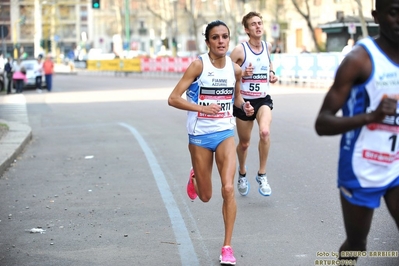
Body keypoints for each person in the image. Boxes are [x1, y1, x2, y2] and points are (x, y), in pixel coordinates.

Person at [315, 0, 399, 262]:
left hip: (396, 165)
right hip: (362, 167)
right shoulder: (359, 60)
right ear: (377, 16)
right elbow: (323, 123)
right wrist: (372, 116)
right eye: (394, 13)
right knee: (357, 244)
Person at [168, 20, 254, 265]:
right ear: (207, 42)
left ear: (229, 39)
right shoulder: (198, 66)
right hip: (199, 136)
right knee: (206, 196)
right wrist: (201, 108)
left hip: (225, 132)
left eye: (225, 37)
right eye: (215, 37)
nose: (221, 41)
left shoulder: (234, 70)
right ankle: (196, 176)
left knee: (228, 189)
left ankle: (227, 246)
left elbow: (236, 99)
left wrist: (244, 106)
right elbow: (173, 99)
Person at [229, 11, 278, 197]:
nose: (258, 26)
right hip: (243, 101)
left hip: (263, 98)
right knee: (244, 143)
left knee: (265, 132)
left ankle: (262, 174)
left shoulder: (268, 46)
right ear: (247, 29)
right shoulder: (240, 50)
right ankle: (242, 172)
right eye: (253, 24)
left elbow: (269, 63)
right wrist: (241, 72)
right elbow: (226, 70)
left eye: (260, 23)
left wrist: (272, 74)